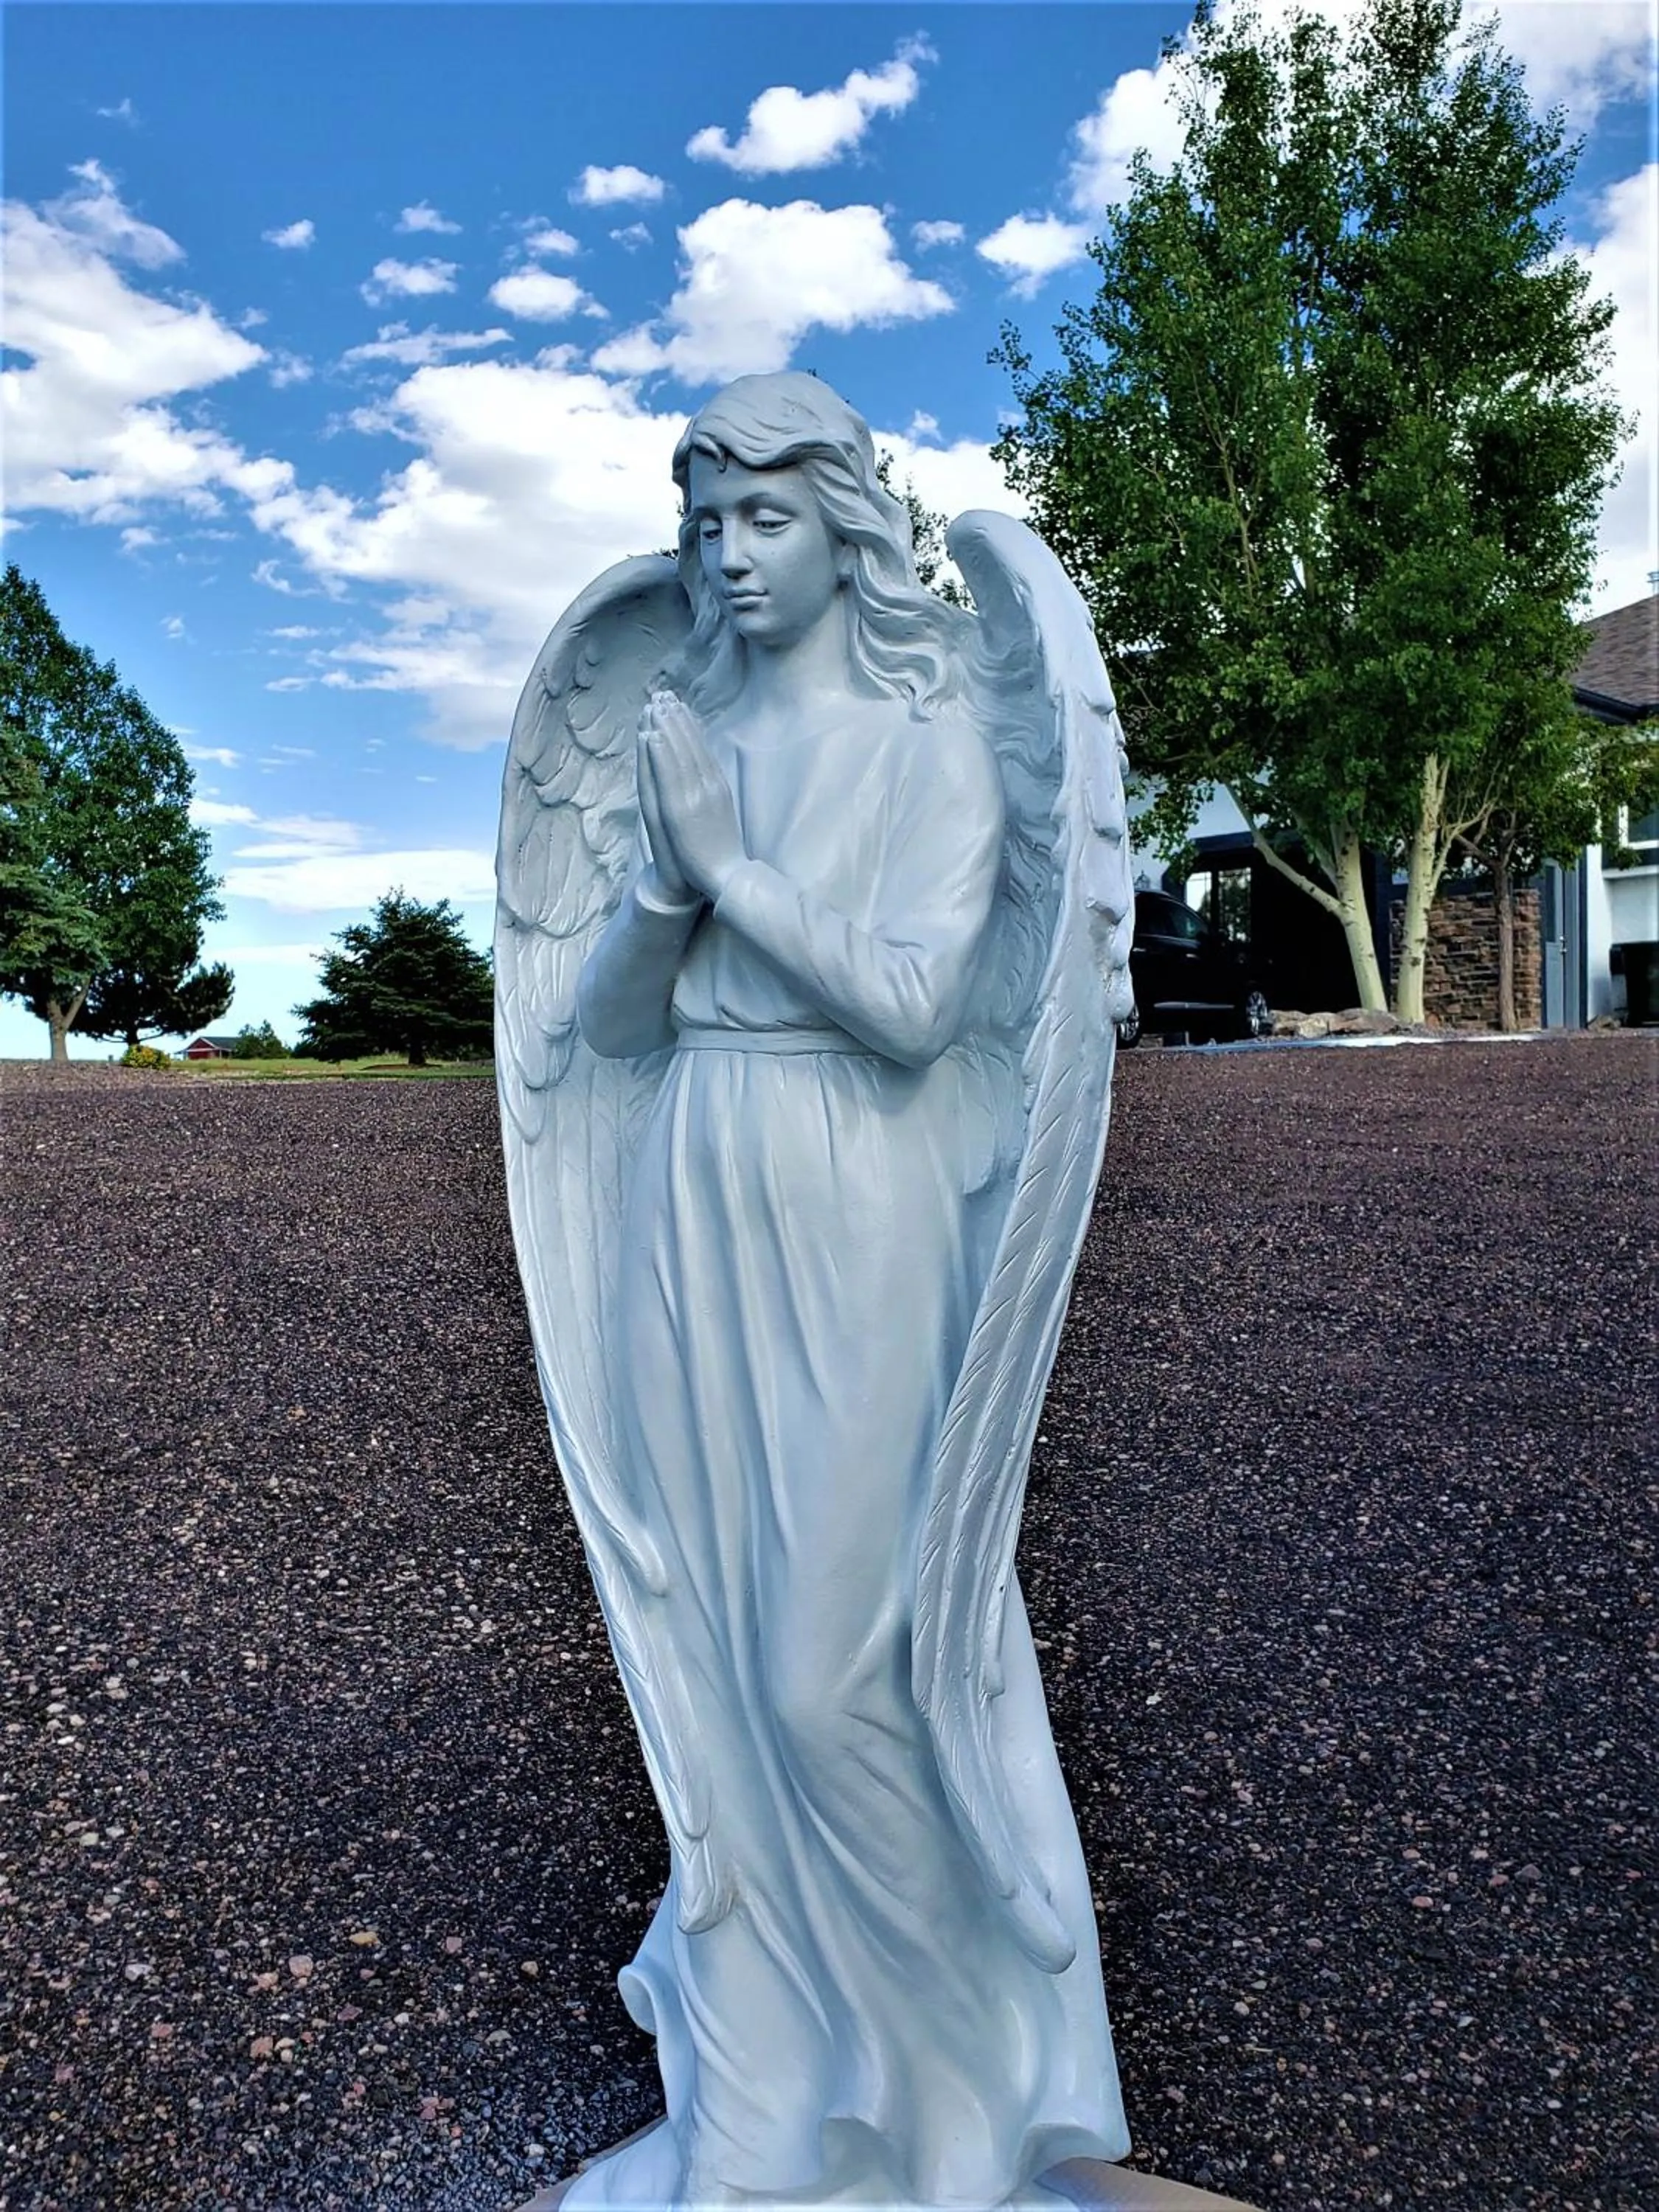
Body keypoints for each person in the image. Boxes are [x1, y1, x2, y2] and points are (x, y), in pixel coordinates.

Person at [563, 374, 1129, 2209]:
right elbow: (610, 1030)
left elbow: (905, 1007)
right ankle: (771, 2097)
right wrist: (664, 886)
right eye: (706, 515)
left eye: (768, 516)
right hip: (690, 1187)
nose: (729, 553)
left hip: (852, 1188)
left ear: (845, 529)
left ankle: (967, 2092)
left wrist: (731, 867)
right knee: (715, 1669)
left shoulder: (930, 739)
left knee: (837, 1672)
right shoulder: (676, 737)